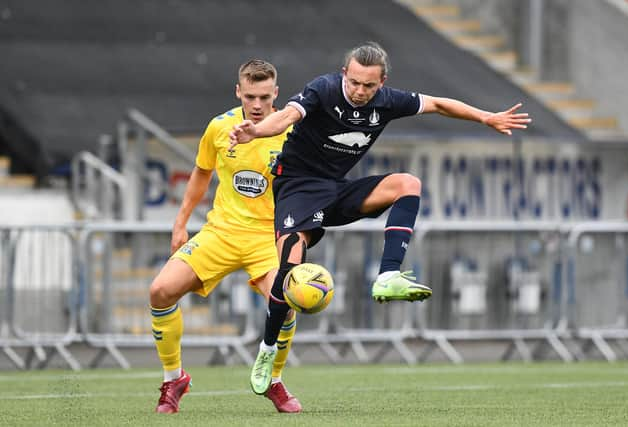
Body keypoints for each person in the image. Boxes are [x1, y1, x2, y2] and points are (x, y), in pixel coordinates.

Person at [229, 42, 532, 395]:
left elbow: (437, 104)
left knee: (408, 184)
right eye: (354, 82)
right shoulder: (323, 89)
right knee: (289, 268)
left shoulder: (388, 101)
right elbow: (288, 116)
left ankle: (388, 275)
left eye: (368, 86)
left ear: (381, 82)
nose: (359, 91)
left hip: (337, 189)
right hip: (297, 188)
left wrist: (484, 117)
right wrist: (258, 130)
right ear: (345, 74)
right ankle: (267, 350)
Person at [149, 59, 302, 414]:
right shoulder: (219, 127)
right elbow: (201, 173)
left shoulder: (291, 131)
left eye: (265, 96)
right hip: (220, 233)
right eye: (251, 96)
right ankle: (174, 379)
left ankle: (273, 380)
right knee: (160, 291)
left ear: (276, 94)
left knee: (285, 301)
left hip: (266, 237)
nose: (258, 104)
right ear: (239, 92)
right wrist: (180, 222)